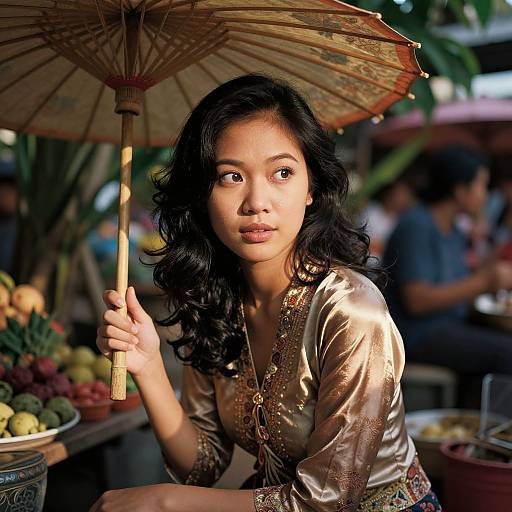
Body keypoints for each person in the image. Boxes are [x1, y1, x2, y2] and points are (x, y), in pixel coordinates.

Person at [92, 75, 441, 512]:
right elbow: (202, 465)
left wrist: (163, 501)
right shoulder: (214, 299)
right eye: (231, 176)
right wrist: (146, 367)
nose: (257, 201)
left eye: (281, 173)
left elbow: (325, 503)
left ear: (311, 187)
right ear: (203, 195)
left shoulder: (351, 311)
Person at [383, 145, 512, 375]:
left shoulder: (455, 232)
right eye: (481, 185)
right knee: (506, 351)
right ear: (461, 191)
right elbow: (417, 301)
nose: (485, 195)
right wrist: (484, 282)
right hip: (417, 334)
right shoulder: (416, 226)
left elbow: (459, 291)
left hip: (449, 326)